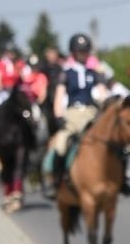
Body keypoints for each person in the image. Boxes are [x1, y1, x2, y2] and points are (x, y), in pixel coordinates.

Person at [44, 33, 105, 195]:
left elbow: (101, 92)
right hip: (72, 114)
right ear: (73, 53)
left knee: (110, 142)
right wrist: (59, 117)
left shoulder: (94, 73)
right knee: (61, 144)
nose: (82, 55)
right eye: (79, 52)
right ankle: (55, 180)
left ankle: (119, 179)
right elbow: (59, 96)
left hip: (91, 113)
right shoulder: (66, 74)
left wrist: (105, 100)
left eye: (85, 52)